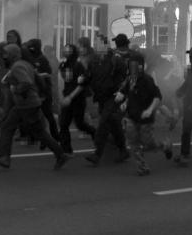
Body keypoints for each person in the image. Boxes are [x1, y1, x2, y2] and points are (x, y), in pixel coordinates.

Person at [0, 44, 72, 170]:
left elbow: (26, 82)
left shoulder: (17, 66)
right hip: (30, 103)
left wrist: (15, 89)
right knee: (39, 132)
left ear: (13, 55)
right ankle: (60, 154)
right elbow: (37, 78)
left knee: (7, 126)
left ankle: (4, 157)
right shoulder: (24, 64)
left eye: (6, 54)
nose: (4, 57)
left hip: (25, 104)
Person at [116, 53, 172, 175]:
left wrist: (150, 110)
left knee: (148, 144)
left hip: (145, 118)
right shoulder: (129, 79)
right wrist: (123, 101)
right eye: (131, 65)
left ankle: (165, 146)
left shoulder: (147, 80)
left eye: (136, 65)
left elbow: (157, 97)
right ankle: (142, 166)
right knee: (133, 142)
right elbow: (126, 93)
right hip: (131, 116)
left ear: (141, 66)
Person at [84, 33, 131, 165]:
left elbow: (128, 77)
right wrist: (84, 80)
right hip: (101, 97)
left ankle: (97, 153)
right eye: (95, 43)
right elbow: (89, 76)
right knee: (114, 124)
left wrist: (122, 92)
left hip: (113, 97)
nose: (96, 45)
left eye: (98, 43)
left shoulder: (115, 59)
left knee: (103, 122)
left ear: (105, 45)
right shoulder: (93, 60)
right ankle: (123, 150)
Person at [57, 42, 97, 154]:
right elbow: (61, 82)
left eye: (69, 50)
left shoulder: (78, 66)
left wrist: (70, 97)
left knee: (80, 124)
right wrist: (61, 97)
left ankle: (95, 134)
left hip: (77, 99)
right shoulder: (63, 65)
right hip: (67, 98)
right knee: (63, 124)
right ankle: (66, 150)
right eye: (65, 50)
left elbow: (82, 85)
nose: (66, 52)